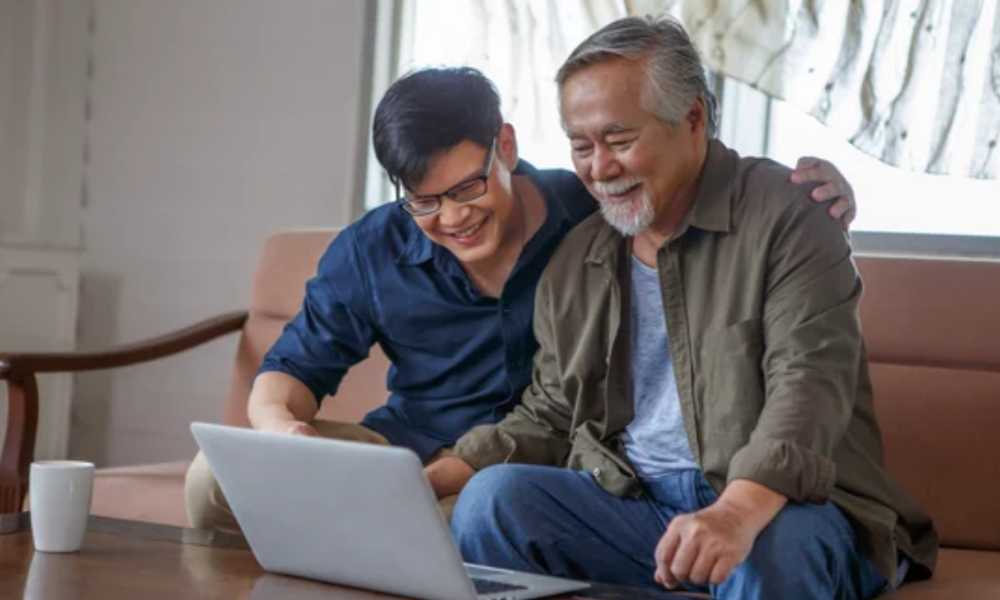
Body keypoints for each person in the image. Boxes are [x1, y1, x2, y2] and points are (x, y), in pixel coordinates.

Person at [184, 65, 858, 532]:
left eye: (468, 188)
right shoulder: (372, 250)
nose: (452, 218)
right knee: (212, 480)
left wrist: (814, 195)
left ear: (505, 144)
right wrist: (286, 436)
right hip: (405, 458)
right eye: (424, 201)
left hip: (541, 467)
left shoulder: (589, 211)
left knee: (483, 513)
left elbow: (687, 183)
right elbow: (285, 378)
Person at [442, 16, 938, 600]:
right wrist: (427, 482)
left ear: (694, 118)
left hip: (785, 507)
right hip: (635, 507)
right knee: (491, 504)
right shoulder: (578, 259)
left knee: (763, 552)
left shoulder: (790, 216)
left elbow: (807, 385)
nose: (599, 168)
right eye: (582, 146)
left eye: (620, 141)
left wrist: (735, 513)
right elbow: (553, 411)